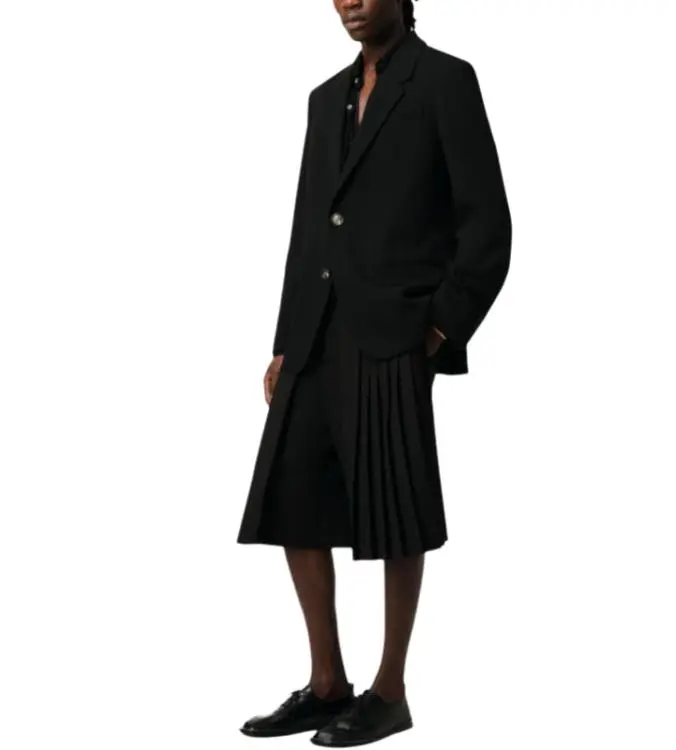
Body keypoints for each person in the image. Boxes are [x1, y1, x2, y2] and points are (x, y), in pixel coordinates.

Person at [236, 0, 512, 745]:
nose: (351, 1)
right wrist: (285, 342)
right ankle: (328, 684)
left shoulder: (446, 81)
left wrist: (440, 328)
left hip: (396, 331)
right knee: (293, 499)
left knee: (395, 510)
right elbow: (308, 226)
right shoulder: (324, 98)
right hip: (316, 330)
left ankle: (389, 693)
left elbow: (488, 224)